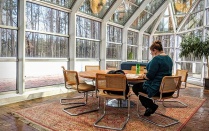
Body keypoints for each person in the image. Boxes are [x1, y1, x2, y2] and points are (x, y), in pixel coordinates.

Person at [132, 40, 174, 116]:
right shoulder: (169, 59)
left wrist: (144, 76)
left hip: (158, 89)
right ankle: (150, 107)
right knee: (140, 86)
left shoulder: (156, 59)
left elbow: (149, 76)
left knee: (135, 87)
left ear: (155, 50)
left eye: (151, 52)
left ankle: (151, 106)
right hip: (168, 89)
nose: (151, 54)